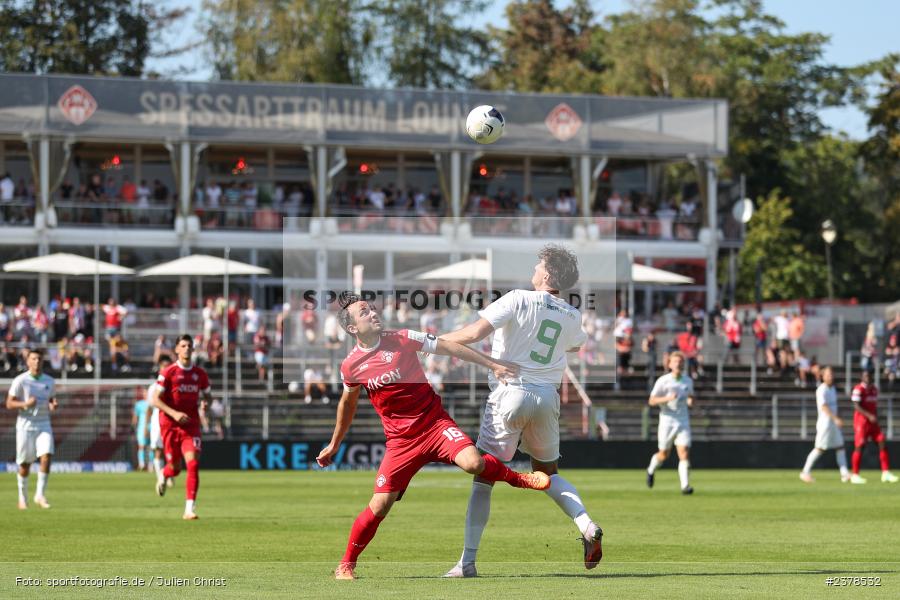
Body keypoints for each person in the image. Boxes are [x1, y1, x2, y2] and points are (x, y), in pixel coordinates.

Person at [316, 293, 550, 581]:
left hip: (434, 424)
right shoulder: (351, 366)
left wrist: (492, 364)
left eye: (372, 308)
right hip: (401, 442)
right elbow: (347, 404)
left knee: (473, 463)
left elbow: (450, 347)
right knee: (379, 505)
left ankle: (519, 478)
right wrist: (334, 443)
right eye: (364, 312)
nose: (373, 313)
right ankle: (346, 565)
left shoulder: (402, 337)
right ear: (352, 328)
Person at [440, 245, 604, 578]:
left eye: (539, 264)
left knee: (484, 479)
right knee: (550, 473)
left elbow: (472, 334)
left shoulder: (516, 297)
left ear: (547, 274)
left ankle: (467, 563)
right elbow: (577, 342)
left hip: (510, 394)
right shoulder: (573, 315)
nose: (534, 266)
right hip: (545, 398)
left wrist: (431, 340)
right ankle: (586, 525)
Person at [149, 335, 212, 519]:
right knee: (175, 468)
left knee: (192, 464)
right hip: (169, 425)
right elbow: (155, 400)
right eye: (183, 346)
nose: (186, 349)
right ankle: (164, 473)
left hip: (190, 426)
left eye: (189, 346)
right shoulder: (168, 372)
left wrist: (206, 404)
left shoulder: (199, 374)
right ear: (176, 349)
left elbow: (209, 396)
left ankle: (189, 509)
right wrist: (174, 413)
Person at [6, 349, 57, 509]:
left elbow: (51, 399)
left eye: (39, 359)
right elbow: (9, 403)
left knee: (46, 456)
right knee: (25, 464)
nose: (37, 362)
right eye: (33, 359)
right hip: (25, 426)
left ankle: (40, 495)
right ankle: (22, 498)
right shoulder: (20, 380)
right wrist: (25, 404)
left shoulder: (49, 381)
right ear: (28, 362)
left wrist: (52, 405)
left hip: (44, 424)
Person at [646, 352, 696, 494]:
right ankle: (651, 469)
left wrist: (690, 401)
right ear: (669, 364)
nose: (678, 364)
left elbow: (691, 396)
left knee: (684, 453)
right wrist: (667, 398)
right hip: (667, 420)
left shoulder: (688, 381)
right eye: (675, 361)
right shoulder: (663, 381)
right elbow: (651, 401)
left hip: (683, 420)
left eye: (680, 362)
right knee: (663, 455)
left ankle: (685, 486)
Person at [800, 367, 850, 483]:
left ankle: (845, 474)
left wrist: (838, 417)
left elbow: (834, 406)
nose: (830, 377)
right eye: (828, 375)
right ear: (823, 376)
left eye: (831, 374)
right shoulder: (821, 390)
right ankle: (805, 472)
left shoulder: (832, 389)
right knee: (820, 448)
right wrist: (835, 418)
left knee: (840, 446)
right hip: (825, 424)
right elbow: (824, 407)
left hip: (833, 424)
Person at [848, 370, 898, 484]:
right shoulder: (858, 389)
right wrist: (869, 415)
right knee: (859, 446)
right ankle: (855, 474)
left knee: (882, 442)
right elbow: (856, 405)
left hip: (872, 422)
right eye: (865, 376)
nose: (867, 377)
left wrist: (875, 416)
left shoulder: (874, 389)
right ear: (861, 377)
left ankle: (885, 473)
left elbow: (874, 406)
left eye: (869, 375)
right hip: (861, 422)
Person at [147, 357, 173, 484]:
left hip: (172, 419)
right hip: (158, 420)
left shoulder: (175, 385)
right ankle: (160, 477)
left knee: (171, 449)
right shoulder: (153, 387)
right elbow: (151, 405)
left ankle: (169, 472)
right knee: (158, 449)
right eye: (164, 367)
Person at [133, 389, 150, 472]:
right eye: (144, 393)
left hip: (152, 427)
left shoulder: (153, 403)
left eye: (146, 392)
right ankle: (142, 464)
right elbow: (135, 417)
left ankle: (151, 465)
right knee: (141, 446)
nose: (145, 394)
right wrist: (134, 426)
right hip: (141, 428)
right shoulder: (139, 404)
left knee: (152, 447)